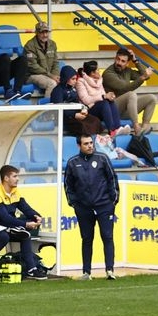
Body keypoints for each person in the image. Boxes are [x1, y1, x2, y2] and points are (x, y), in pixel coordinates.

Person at [64, 134, 120, 281]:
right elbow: (68, 186)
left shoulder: (102, 158)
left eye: (91, 143)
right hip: (84, 208)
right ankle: (87, 272)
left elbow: (112, 178)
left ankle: (109, 270)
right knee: (87, 239)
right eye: (86, 144)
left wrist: (113, 200)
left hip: (104, 205)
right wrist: (74, 203)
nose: (90, 146)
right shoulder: (72, 162)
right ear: (79, 146)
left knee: (107, 237)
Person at [0, 165, 47, 280]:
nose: (17, 179)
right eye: (15, 176)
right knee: (17, 233)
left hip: (9, 226)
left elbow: (26, 209)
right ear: (6, 178)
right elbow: (4, 217)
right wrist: (25, 224)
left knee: (25, 234)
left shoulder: (15, 191)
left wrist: (36, 216)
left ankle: (31, 269)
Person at [101, 47, 156, 136]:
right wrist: (143, 77)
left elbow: (145, 76)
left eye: (123, 61)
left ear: (127, 63)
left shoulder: (127, 71)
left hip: (126, 110)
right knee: (131, 94)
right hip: (112, 110)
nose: (119, 63)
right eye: (118, 59)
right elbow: (125, 88)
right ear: (115, 58)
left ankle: (145, 127)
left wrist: (136, 61)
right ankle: (136, 127)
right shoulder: (108, 73)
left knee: (151, 98)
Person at [77, 61, 130, 137]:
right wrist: (103, 97)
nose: (99, 71)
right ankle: (112, 131)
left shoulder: (99, 81)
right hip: (89, 110)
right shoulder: (80, 82)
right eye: (97, 70)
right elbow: (86, 100)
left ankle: (118, 128)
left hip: (101, 109)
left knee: (110, 101)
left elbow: (104, 95)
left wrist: (109, 96)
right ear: (92, 73)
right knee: (104, 103)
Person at [50, 65, 101, 137]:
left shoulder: (72, 89)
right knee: (82, 125)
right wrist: (74, 115)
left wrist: (83, 109)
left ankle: (94, 140)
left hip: (77, 114)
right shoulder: (58, 91)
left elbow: (77, 102)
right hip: (66, 118)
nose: (75, 81)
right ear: (66, 79)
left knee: (95, 121)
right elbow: (58, 108)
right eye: (73, 79)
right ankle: (83, 142)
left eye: (76, 79)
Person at [23, 21, 60, 94]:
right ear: (36, 33)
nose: (45, 35)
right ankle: (48, 104)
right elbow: (33, 67)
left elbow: (55, 62)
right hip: (32, 75)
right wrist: (50, 75)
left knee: (66, 80)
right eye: (42, 32)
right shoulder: (29, 45)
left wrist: (56, 75)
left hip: (47, 74)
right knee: (51, 83)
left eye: (46, 32)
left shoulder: (52, 44)